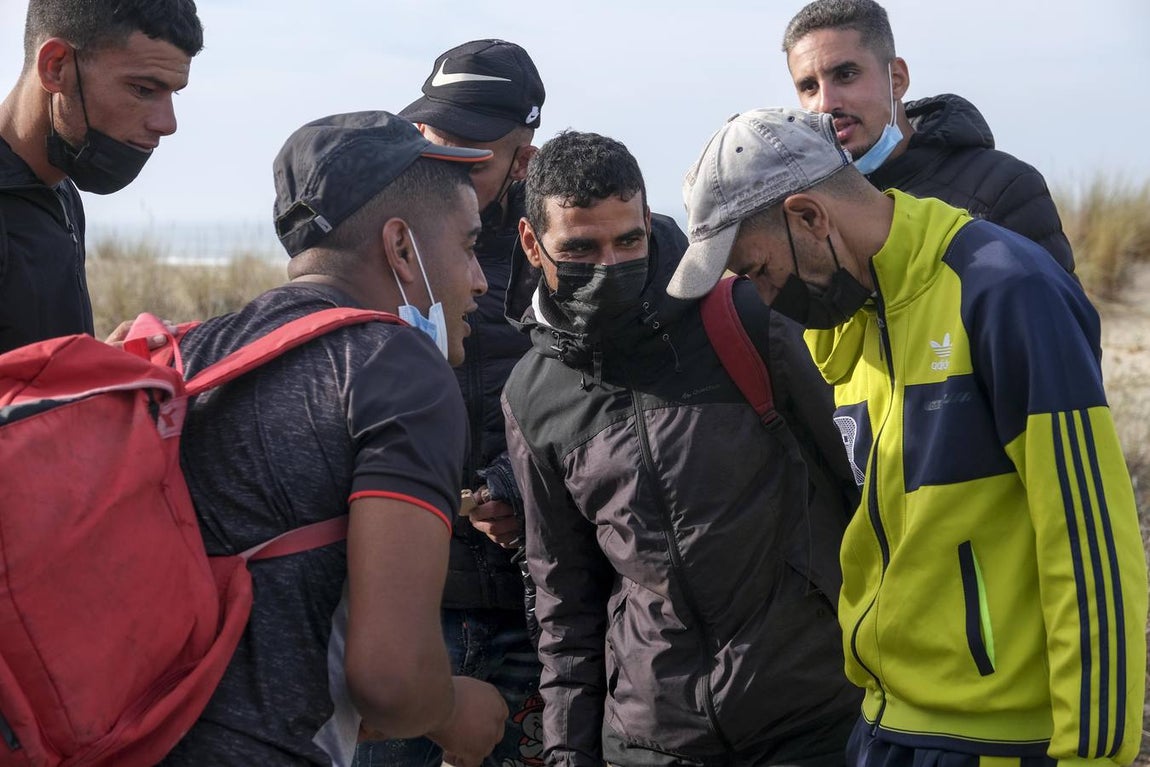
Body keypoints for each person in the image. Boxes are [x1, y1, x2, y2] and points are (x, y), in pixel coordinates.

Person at [668, 106, 1148, 767]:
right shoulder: (851, 319)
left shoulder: (1005, 289)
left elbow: (1090, 542)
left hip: (1000, 740)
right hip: (887, 726)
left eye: (754, 269)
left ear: (810, 217)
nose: (758, 294)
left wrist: (1091, 756)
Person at [501, 130, 862, 766]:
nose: (610, 266)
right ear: (533, 245)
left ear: (648, 219)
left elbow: (865, 493)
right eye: (581, 249)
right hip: (651, 736)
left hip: (813, 719)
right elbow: (564, 607)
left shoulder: (746, 318)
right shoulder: (533, 397)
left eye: (629, 241)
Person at [159, 111, 508, 767]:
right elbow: (391, 679)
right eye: (467, 247)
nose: (480, 281)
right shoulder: (398, 368)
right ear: (401, 248)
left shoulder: (197, 354)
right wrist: (457, 710)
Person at [353, 40, 546, 767]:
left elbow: (612, 412)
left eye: (472, 152)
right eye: (431, 140)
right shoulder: (377, 233)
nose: (440, 163)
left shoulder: (571, 246)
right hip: (408, 609)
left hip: (539, 609)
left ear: (523, 159)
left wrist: (518, 484)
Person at [781, 0, 1075, 273]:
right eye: (809, 87)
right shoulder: (812, 210)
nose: (825, 104)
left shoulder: (1003, 187)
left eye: (845, 75)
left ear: (896, 79)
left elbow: (1055, 321)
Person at [0, 0, 203, 354]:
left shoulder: (60, 192)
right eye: (142, 89)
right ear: (56, 67)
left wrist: (102, 364)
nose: (168, 124)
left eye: (174, 93)